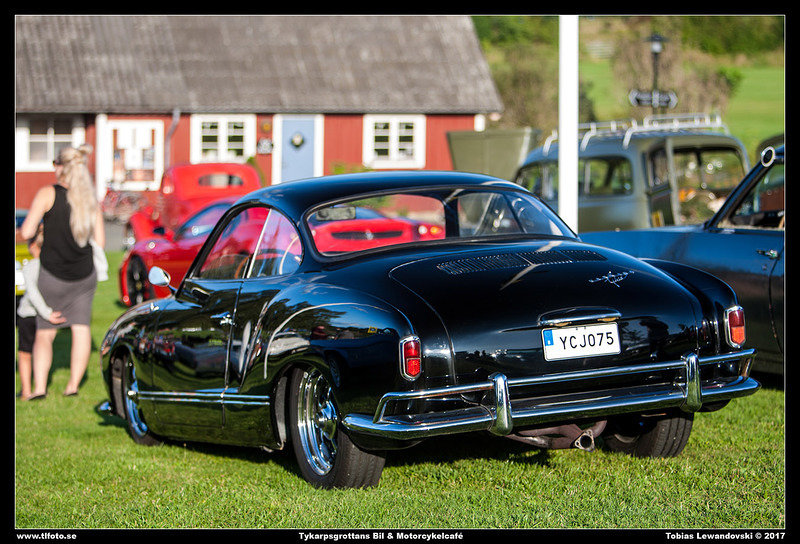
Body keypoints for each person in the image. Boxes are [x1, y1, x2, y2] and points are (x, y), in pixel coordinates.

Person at [19, 145, 105, 399]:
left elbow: (27, 231)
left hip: (52, 275)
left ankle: (39, 388)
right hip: (84, 275)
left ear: (60, 167)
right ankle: (72, 386)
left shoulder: (47, 193)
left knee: (45, 333)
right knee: (81, 328)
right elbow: (100, 242)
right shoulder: (89, 199)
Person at [16, 226, 67, 400]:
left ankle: (26, 391)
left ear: (33, 246)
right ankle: (40, 386)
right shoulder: (56, 266)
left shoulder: (31, 266)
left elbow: (32, 293)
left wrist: (45, 313)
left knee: (25, 353)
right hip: (50, 313)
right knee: (43, 349)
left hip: (30, 314)